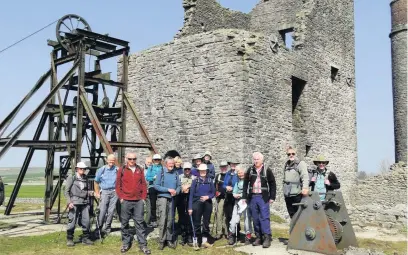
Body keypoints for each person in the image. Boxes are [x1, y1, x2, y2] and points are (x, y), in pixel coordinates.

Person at [115, 152, 151, 254]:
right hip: (126, 200)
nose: (132, 161)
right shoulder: (122, 170)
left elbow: (144, 184)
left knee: (139, 223)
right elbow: (118, 185)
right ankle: (126, 243)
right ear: (126, 159)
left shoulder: (140, 169)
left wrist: (143, 197)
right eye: (130, 159)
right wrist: (121, 197)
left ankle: (143, 245)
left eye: (134, 159)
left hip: (138, 200)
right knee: (124, 223)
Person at [242, 152, 276, 248]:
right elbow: (245, 183)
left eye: (258, 159)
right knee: (255, 218)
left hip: (263, 197)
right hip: (252, 197)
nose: (256, 161)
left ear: (262, 160)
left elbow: (272, 184)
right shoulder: (250, 170)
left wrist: (272, 197)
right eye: (255, 159)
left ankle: (267, 237)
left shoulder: (267, 170)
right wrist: (244, 196)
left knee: (264, 217)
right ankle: (258, 237)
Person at [64, 162, 94, 246]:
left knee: (86, 221)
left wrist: (89, 193)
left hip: (84, 202)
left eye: (84, 169)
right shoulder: (72, 177)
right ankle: (70, 239)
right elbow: (66, 191)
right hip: (74, 202)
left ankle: (86, 239)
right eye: (81, 168)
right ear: (77, 169)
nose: (83, 170)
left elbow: (86, 190)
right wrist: (69, 202)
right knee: (72, 221)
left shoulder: (85, 178)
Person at [154, 157, 181, 250]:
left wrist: (176, 192)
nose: (171, 165)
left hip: (172, 198)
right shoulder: (161, 172)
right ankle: (162, 240)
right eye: (170, 163)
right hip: (163, 198)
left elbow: (179, 186)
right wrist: (168, 190)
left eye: (173, 163)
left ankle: (169, 239)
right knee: (163, 219)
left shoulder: (176, 173)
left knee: (170, 219)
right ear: (166, 164)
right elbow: (156, 186)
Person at [188, 164, 215, 248]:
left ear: (206, 171)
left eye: (204, 171)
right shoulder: (195, 181)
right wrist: (190, 207)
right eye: (201, 171)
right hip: (197, 203)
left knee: (206, 222)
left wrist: (208, 197)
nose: (203, 172)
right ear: (199, 172)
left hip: (207, 203)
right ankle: (197, 241)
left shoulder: (210, 180)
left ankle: (204, 240)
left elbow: (213, 193)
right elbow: (191, 195)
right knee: (197, 222)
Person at [94, 154, 118, 236]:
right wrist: (97, 192)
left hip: (114, 192)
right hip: (104, 192)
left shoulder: (117, 170)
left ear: (114, 161)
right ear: (106, 160)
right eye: (110, 160)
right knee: (102, 211)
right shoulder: (102, 169)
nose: (111, 162)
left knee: (111, 211)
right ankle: (98, 228)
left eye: (113, 160)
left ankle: (107, 228)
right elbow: (96, 182)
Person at [282, 146, 309, 219]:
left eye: (293, 153)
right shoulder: (286, 164)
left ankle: (301, 230)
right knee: (292, 215)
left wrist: (305, 188)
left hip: (297, 194)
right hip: (288, 194)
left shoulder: (300, 163)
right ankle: (294, 229)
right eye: (289, 154)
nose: (291, 155)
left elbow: (305, 176)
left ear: (296, 153)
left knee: (300, 215)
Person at [228, 166, 253, 245]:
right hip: (238, 202)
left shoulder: (248, 182)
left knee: (247, 220)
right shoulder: (237, 183)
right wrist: (235, 195)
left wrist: (241, 195)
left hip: (246, 202)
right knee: (234, 220)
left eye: (242, 173)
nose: (240, 174)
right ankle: (231, 235)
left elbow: (249, 191)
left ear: (244, 173)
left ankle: (248, 236)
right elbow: (234, 192)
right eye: (239, 173)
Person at [177, 162, 195, 246]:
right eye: (185, 169)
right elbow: (177, 186)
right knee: (182, 216)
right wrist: (182, 188)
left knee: (189, 216)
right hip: (181, 198)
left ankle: (189, 235)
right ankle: (183, 235)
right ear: (183, 170)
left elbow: (195, 187)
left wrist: (188, 187)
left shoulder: (194, 178)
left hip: (190, 198)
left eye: (188, 169)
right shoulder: (179, 177)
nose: (187, 170)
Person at [223, 158, 240, 240]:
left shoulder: (238, 174)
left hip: (236, 197)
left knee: (236, 216)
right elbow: (224, 184)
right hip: (228, 196)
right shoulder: (228, 174)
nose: (233, 165)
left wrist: (233, 188)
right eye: (232, 164)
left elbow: (239, 184)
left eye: (234, 164)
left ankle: (237, 232)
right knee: (229, 215)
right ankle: (230, 232)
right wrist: (226, 187)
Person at [145, 154, 163, 228]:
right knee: (153, 204)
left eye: (158, 160)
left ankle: (160, 219)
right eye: (155, 160)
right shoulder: (150, 168)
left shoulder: (162, 168)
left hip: (160, 187)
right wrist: (153, 178)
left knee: (160, 204)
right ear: (153, 160)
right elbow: (147, 178)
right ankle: (153, 220)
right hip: (152, 187)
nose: (157, 161)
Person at [213, 160, 228, 240]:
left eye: (225, 166)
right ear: (220, 168)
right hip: (220, 199)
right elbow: (214, 186)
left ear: (227, 167)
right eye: (222, 167)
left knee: (226, 216)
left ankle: (227, 232)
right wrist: (215, 192)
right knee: (219, 215)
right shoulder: (217, 176)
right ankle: (219, 232)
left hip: (228, 198)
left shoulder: (229, 176)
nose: (223, 168)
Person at [144, 156, 153, 225]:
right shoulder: (142, 170)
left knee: (149, 207)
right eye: (148, 162)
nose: (149, 163)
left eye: (150, 162)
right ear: (145, 162)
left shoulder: (153, 170)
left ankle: (147, 221)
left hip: (151, 190)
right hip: (142, 190)